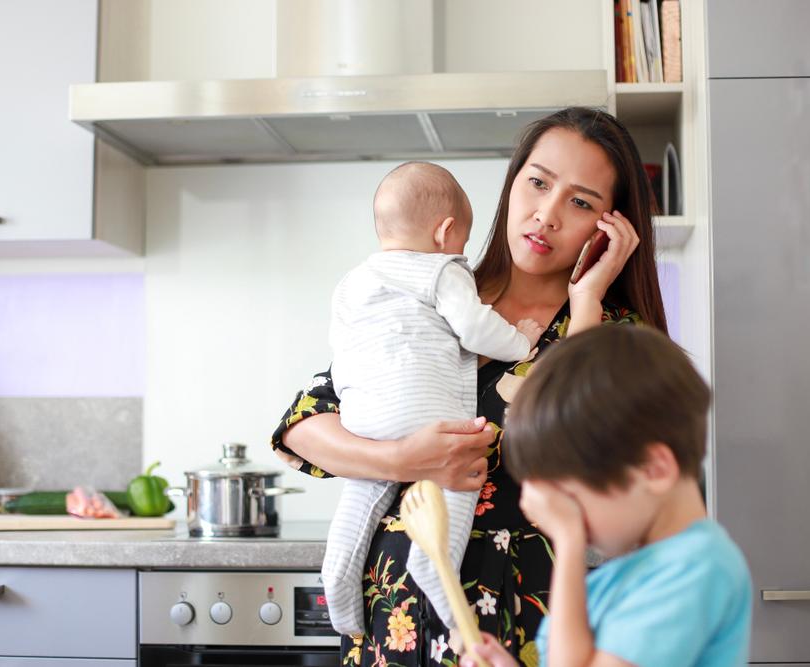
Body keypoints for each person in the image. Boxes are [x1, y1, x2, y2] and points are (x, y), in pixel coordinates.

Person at [271, 106, 668, 666]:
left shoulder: (615, 333)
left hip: (513, 626)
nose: (547, 215)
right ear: (512, 187)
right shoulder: (430, 286)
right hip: (392, 620)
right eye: (538, 183)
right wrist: (402, 457)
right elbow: (304, 426)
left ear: (611, 225)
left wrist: (587, 302)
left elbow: (589, 467)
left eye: (580, 202)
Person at [323, 160, 544, 636]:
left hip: (363, 417)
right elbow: (474, 327)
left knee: (357, 507)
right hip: (429, 413)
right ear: (445, 232)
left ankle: (337, 588)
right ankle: (436, 571)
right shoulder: (443, 270)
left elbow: (340, 351)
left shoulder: (352, 282)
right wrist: (521, 342)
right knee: (459, 476)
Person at [462, 325, 752, 667]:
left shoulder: (697, 568)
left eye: (573, 499)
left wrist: (569, 542)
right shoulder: (635, 570)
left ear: (653, 469)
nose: (564, 517)